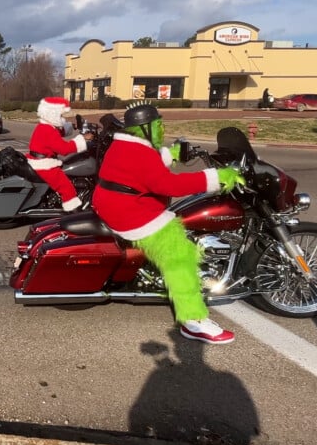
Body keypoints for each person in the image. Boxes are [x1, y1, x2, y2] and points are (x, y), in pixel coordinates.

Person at [91, 102, 244, 344]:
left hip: (113, 204)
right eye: (158, 125)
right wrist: (216, 177)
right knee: (180, 255)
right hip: (129, 213)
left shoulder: (125, 145)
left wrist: (169, 154)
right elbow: (170, 185)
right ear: (145, 129)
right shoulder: (139, 152)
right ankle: (193, 321)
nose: (162, 130)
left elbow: (143, 168)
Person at [26, 97, 90, 212]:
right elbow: (64, 149)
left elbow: (58, 131)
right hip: (43, 164)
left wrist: (72, 127)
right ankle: (74, 211)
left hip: (39, 160)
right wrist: (82, 139)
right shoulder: (47, 130)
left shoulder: (46, 126)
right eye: (60, 116)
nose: (62, 118)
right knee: (65, 186)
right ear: (52, 114)